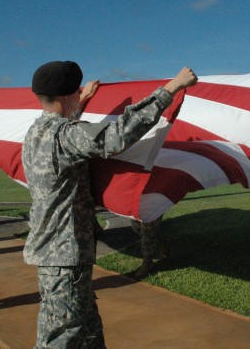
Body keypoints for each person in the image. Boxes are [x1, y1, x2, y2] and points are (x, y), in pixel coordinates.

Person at [22, 61, 197, 348]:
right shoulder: (65, 135)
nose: (80, 94)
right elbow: (115, 137)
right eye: (76, 91)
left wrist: (82, 102)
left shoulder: (36, 133)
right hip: (64, 258)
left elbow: (68, 133)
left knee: (89, 331)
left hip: (57, 254)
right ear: (66, 96)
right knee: (60, 338)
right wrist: (171, 88)